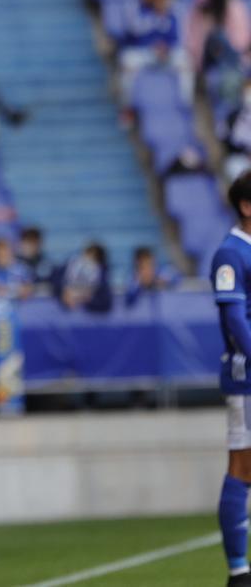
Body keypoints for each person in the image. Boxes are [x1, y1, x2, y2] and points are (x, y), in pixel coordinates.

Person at [212, 171, 251, 586]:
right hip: (248, 376)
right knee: (243, 466)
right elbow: (235, 317)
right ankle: (239, 571)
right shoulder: (230, 254)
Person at [118, 0, 192, 113]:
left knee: (185, 61)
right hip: (143, 52)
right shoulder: (134, 5)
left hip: (166, 54)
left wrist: (167, 47)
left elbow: (179, 37)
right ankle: (128, 108)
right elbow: (133, 30)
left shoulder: (172, 8)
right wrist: (155, 16)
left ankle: (184, 105)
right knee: (128, 62)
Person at [56, 242, 113, 313]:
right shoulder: (71, 265)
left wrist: (83, 297)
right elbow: (57, 279)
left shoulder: (102, 275)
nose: (88, 260)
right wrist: (64, 293)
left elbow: (102, 299)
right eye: (87, 255)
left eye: (93, 258)